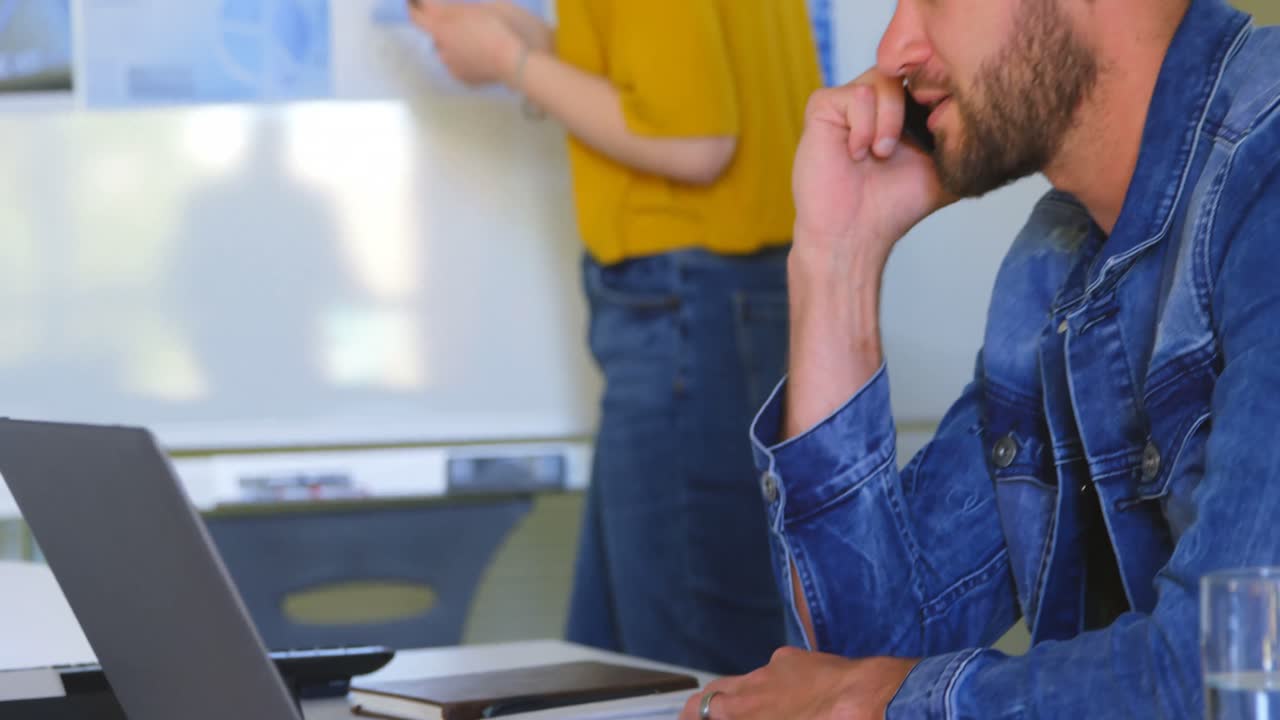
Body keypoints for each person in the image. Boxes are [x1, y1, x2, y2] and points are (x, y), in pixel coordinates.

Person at [675, 0, 1280, 717]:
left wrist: (875, 697)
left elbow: (1226, 679)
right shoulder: (1056, 263)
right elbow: (849, 661)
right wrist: (839, 257)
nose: (897, 47)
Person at [407, 0, 822, 674]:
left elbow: (695, 143)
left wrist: (512, 63)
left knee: (685, 671)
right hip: (716, 302)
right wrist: (533, 42)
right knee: (615, 666)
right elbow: (673, 86)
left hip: (689, 311)